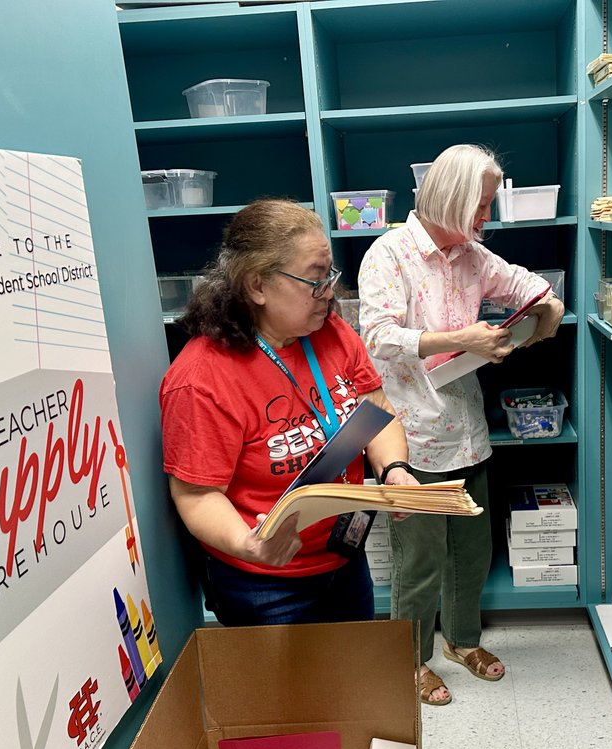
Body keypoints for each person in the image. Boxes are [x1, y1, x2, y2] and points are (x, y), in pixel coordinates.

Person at [357, 144, 565, 705]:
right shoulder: (388, 254)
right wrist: (462, 339)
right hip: (409, 439)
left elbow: (528, 286)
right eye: (481, 206)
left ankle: (462, 642)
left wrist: (546, 311)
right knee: (419, 562)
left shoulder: (473, 256)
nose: (486, 219)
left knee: (472, 553)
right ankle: (412, 661)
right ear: (449, 198)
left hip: (467, 432)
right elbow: (375, 337)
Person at [160, 198, 418, 626]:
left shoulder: (330, 331)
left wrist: (393, 468)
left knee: (350, 678)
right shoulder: (201, 379)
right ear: (256, 285)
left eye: (329, 275)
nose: (330, 293)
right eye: (315, 280)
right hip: (264, 582)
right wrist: (248, 544)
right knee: (288, 693)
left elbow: (376, 410)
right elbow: (196, 494)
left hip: (344, 557)